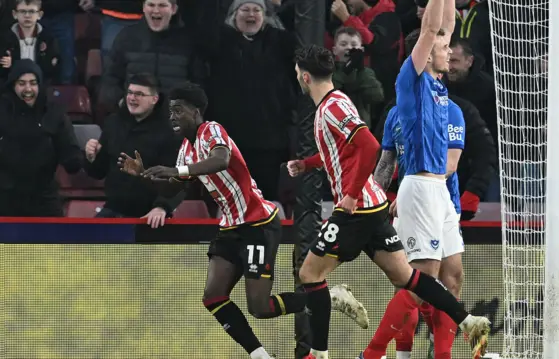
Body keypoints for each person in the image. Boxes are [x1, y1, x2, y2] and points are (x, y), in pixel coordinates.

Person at [118, 82, 369, 359]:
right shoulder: (186, 150)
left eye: (178, 110)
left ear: (197, 111)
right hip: (230, 227)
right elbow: (173, 188)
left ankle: (329, 297)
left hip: (258, 224)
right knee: (213, 297)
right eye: (170, 112)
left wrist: (177, 169)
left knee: (259, 307)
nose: (172, 117)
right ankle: (260, 355)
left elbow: (221, 159)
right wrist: (145, 176)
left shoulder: (211, 130)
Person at [287, 44, 489, 359]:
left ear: (304, 76)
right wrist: (308, 164)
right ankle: (468, 320)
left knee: (309, 275)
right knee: (407, 277)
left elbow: (368, 146)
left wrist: (351, 196)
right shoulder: (335, 102)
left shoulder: (331, 108)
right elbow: (342, 152)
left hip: (358, 208)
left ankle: (318, 354)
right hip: (374, 204)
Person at [359, 0, 489, 357]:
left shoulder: (441, 91)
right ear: (426, 53)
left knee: (453, 274)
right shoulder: (411, 82)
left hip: (441, 194)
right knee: (420, 282)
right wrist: (376, 194)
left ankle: (441, 355)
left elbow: (443, 26)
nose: (450, 53)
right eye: (443, 49)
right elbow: (433, 29)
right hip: (418, 187)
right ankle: (371, 354)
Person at [372, 99, 465, 359]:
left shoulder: (451, 111)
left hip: (445, 203)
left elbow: (450, 164)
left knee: (451, 280)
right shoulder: (395, 114)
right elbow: (386, 163)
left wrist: (417, 186)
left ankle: (441, 354)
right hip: (412, 206)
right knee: (413, 285)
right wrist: (373, 199)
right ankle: (392, 355)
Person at [84, 73, 183, 223]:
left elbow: (179, 178)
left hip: (150, 213)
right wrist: (91, 158)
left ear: (154, 99)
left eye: (139, 94)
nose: (132, 98)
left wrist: (162, 207)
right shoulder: (113, 123)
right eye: (130, 93)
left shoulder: (170, 132)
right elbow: (98, 172)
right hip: (113, 209)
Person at [0, 59, 82, 216]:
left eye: (33, 83)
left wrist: (77, 159)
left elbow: (71, 157)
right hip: (5, 197)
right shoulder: (2, 111)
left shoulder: (54, 114)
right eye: (22, 83)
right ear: (13, 86)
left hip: (43, 198)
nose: (28, 89)